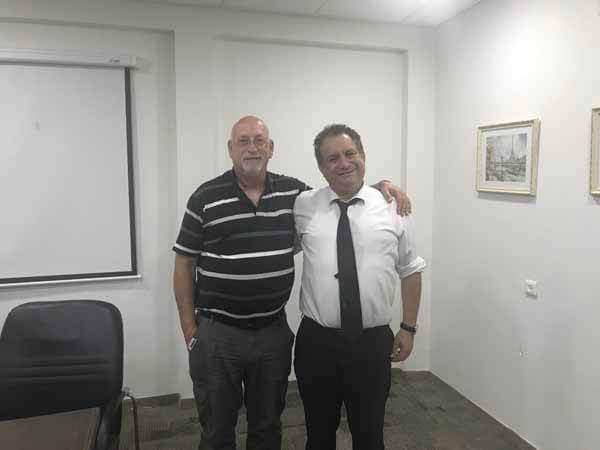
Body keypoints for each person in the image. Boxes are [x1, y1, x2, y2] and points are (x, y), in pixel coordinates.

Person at [172, 116, 411, 450]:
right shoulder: (205, 197)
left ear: (271, 148)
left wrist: (378, 188)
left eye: (259, 140)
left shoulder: (294, 195)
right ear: (230, 149)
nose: (252, 148)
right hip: (218, 334)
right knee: (216, 428)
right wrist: (190, 330)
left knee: (268, 425)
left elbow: (340, 192)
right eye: (243, 141)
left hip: (272, 333)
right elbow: (184, 263)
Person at [293, 123, 426, 450]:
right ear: (322, 168)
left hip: (371, 343)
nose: (343, 163)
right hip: (317, 342)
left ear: (363, 155)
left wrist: (408, 327)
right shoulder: (303, 205)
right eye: (332, 158)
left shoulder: (393, 207)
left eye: (350, 153)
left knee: (369, 434)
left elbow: (411, 270)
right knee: (318, 434)